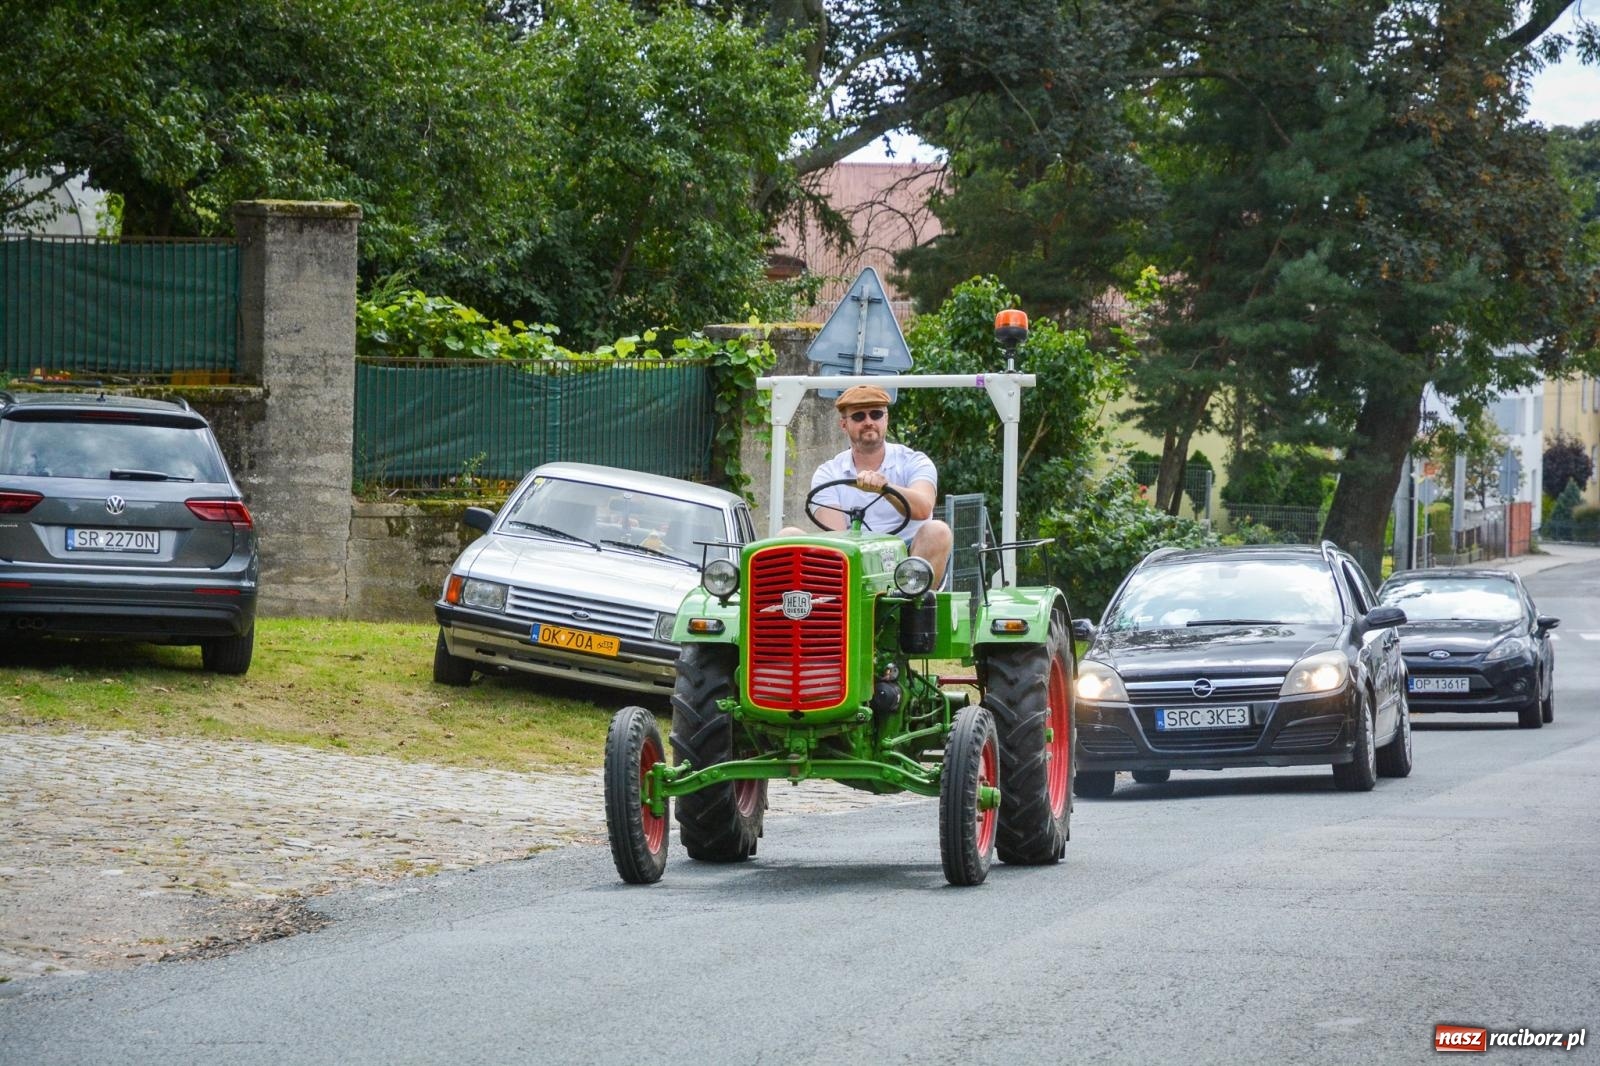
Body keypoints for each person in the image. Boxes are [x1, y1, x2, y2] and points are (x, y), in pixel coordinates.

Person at [783, 383, 953, 587]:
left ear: (886, 418)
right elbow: (835, 536)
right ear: (844, 424)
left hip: (907, 558)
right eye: (858, 416)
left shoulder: (914, 461)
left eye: (875, 414)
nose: (869, 422)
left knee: (937, 531)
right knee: (788, 537)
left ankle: (915, 607)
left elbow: (923, 508)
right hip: (850, 558)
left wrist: (886, 489)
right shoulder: (828, 473)